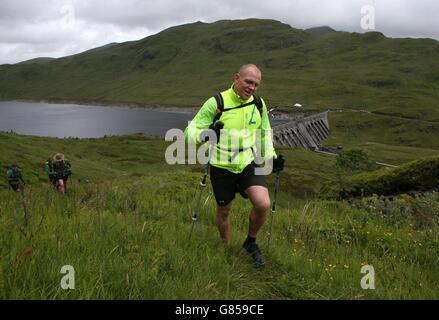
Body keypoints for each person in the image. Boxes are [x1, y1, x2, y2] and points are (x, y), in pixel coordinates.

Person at [184, 64, 285, 267]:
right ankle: (226, 245)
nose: (252, 88)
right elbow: (189, 132)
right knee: (224, 212)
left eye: (256, 84)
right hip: (222, 165)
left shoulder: (258, 103)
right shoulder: (216, 102)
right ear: (236, 78)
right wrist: (207, 134)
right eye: (249, 82)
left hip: (248, 160)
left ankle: (250, 242)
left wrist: (271, 156)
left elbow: (265, 131)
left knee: (263, 204)